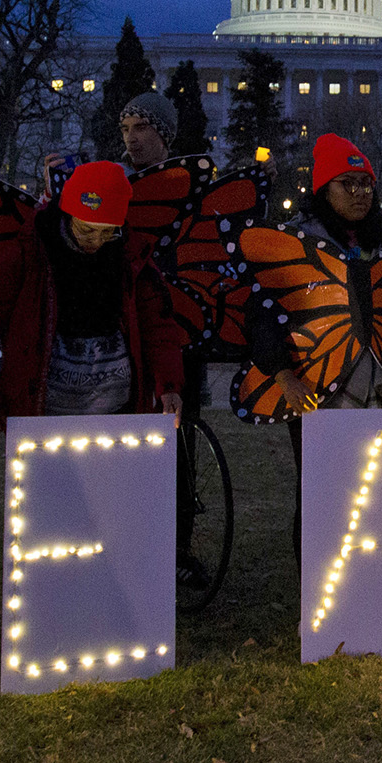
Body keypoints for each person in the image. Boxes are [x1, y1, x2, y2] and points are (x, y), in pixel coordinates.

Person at [253, 135, 382, 538]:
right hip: (319, 386)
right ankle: (317, 590)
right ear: (322, 190)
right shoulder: (297, 244)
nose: (360, 193)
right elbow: (262, 316)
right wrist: (284, 377)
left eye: (366, 183)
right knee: (322, 493)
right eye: (346, 183)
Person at [0, 161, 186, 426]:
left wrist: (168, 385)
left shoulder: (131, 257)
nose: (97, 241)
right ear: (68, 215)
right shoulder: (29, 253)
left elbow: (158, 326)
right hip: (44, 413)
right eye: (87, 229)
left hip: (118, 413)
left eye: (108, 232)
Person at [115, 90, 218, 583]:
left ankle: (177, 550)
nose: (133, 139)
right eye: (126, 130)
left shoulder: (189, 187)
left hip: (177, 328)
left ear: (165, 133)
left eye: (142, 129)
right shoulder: (112, 185)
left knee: (177, 441)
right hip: (124, 326)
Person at [118, 91, 175, 170]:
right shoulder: (116, 179)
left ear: (162, 135)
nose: (130, 139)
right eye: (125, 130)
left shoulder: (187, 177)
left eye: (140, 128)